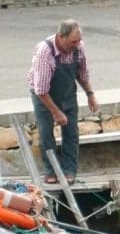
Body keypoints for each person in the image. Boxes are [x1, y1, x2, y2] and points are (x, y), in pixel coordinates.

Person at [27, 19, 99, 183]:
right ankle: (51, 171)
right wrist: (56, 112)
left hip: (67, 93)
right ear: (61, 37)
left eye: (79, 40)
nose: (77, 44)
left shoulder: (78, 47)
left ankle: (69, 170)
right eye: (73, 41)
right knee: (46, 134)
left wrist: (90, 94)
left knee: (71, 133)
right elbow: (41, 90)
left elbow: (82, 74)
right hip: (43, 96)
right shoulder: (45, 52)